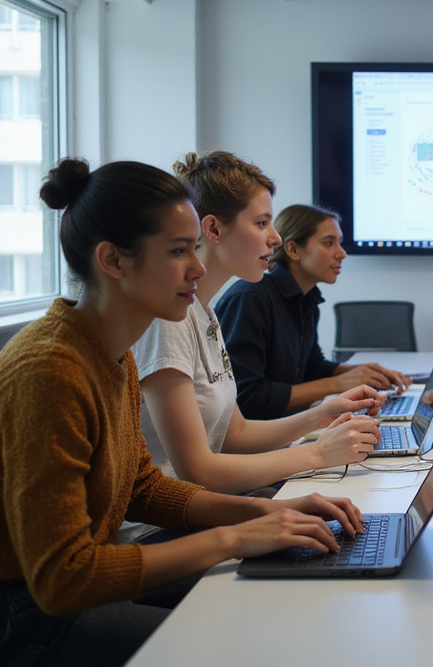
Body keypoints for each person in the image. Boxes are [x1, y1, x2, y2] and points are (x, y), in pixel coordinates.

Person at [0, 159, 369, 666]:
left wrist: (262, 511)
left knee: (292, 591)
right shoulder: (50, 369)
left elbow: (142, 487)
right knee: (250, 647)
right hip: (32, 615)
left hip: (90, 583)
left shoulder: (114, 353)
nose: (198, 267)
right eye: (179, 252)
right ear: (113, 260)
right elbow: (63, 581)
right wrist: (235, 536)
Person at [130, 152, 381, 510]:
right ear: (214, 230)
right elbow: (198, 471)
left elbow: (236, 435)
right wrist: (317, 453)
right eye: (262, 223)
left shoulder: (204, 314)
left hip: (211, 505)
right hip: (165, 525)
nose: (276, 238)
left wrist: (320, 416)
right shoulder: (167, 321)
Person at [215, 204, 411, 421]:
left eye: (339, 242)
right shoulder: (251, 298)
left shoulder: (307, 299)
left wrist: (361, 372)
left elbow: (311, 367)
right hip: (259, 440)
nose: (342, 253)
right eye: (329, 243)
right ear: (294, 250)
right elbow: (247, 398)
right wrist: (338, 383)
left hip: (286, 427)